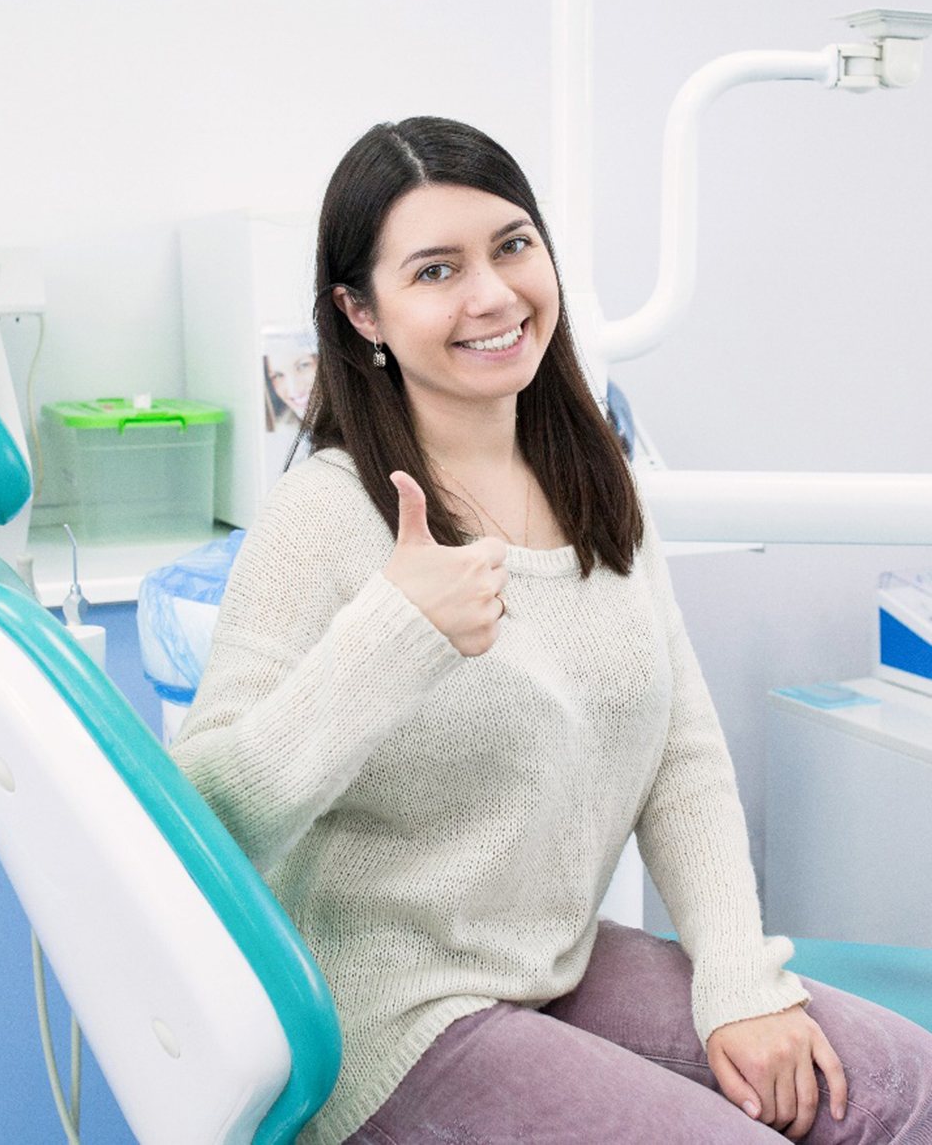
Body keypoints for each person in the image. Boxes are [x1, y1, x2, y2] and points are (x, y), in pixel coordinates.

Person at [170, 117, 932, 1145]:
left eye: (512, 245)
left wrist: (741, 981)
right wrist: (390, 634)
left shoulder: (594, 480)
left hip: (554, 960)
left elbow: (682, 751)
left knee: (896, 1082)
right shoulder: (325, 512)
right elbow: (204, 817)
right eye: (437, 269)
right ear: (361, 313)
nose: (491, 294)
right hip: (392, 1011)